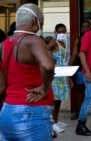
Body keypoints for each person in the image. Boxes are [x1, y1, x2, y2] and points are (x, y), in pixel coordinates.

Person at [0, 3, 55, 141]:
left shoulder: (3, 45)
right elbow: (48, 66)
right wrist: (44, 88)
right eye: (41, 24)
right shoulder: (34, 40)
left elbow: (1, 85)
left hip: (6, 112)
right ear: (36, 22)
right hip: (32, 111)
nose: (41, 27)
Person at [47, 23, 71, 133]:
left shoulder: (65, 43)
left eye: (64, 31)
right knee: (54, 99)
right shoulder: (54, 43)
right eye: (60, 32)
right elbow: (44, 52)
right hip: (55, 75)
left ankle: (56, 119)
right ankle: (52, 122)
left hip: (63, 74)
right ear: (55, 32)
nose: (62, 34)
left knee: (60, 98)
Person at [69, 20, 91, 120]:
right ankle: (79, 111)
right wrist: (68, 66)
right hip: (80, 68)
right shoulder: (78, 40)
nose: (85, 28)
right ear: (81, 29)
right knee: (80, 89)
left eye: (87, 27)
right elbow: (74, 54)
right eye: (84, 27)